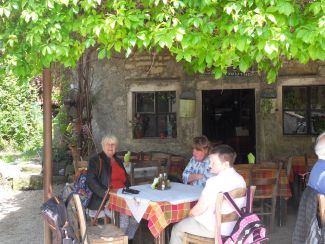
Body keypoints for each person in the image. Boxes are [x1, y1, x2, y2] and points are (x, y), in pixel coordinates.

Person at [170, 144, 246, 244]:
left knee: (176, 228)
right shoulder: (241, 179)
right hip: (235, 226)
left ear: (225, 164)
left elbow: (198, 210)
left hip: (214, 230)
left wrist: (186, 215)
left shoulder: (214, 181)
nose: (209, 165)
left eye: (213, 163)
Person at [86, 134, 138, 240]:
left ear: (116, 147)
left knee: (137, 216)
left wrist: (130, 192)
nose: (110, 146)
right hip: (106, 199)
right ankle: (119, 241)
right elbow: (91, 181)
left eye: (113, 144)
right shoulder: (96, 160)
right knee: (124, 219)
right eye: (107, 144)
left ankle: (128, 240)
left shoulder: (118, 160)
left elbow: (126, 180)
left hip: (124, 197)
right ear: (102, 146)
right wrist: (106, 194)